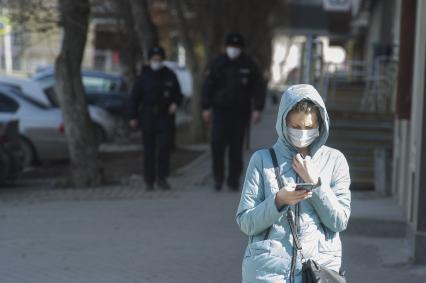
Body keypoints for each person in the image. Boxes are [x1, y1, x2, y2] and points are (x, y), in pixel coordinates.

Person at [236, 84, 351, 282]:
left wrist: (315, 183)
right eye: (296, 127)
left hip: (318, 272)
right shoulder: (262, 160)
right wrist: (278, 201)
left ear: (320, 124)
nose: (303, 133)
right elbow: (246, 223)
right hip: (268, 272)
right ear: (283, 123)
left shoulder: (335, 160)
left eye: (309, 127)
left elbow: (339, 221)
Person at [202, 32, 266, 192]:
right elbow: (208, 86)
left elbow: (258, 87)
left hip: (240, 112)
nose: (234, 50)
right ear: (226, 47)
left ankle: (233, 179)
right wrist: (205, 107)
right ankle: (218, 178)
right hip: (220, 111)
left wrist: (258, 108)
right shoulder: (217, 63)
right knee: (217, 145)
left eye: (237, 47)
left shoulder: (249, 65)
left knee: (236, 148)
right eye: (231, 46)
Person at [129, 46, 183, 190]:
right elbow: (135, 98)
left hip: (165, 116)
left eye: (159, 59)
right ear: (150, 60)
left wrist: (175, 104)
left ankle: (162, 178)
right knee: (149, 150)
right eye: (154, 59)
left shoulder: (169, 75)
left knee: (164, 147)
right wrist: (133, 116)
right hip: (148, 116)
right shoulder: (143, 76)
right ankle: (149, 181)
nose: (156, 62)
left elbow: (178, 95)